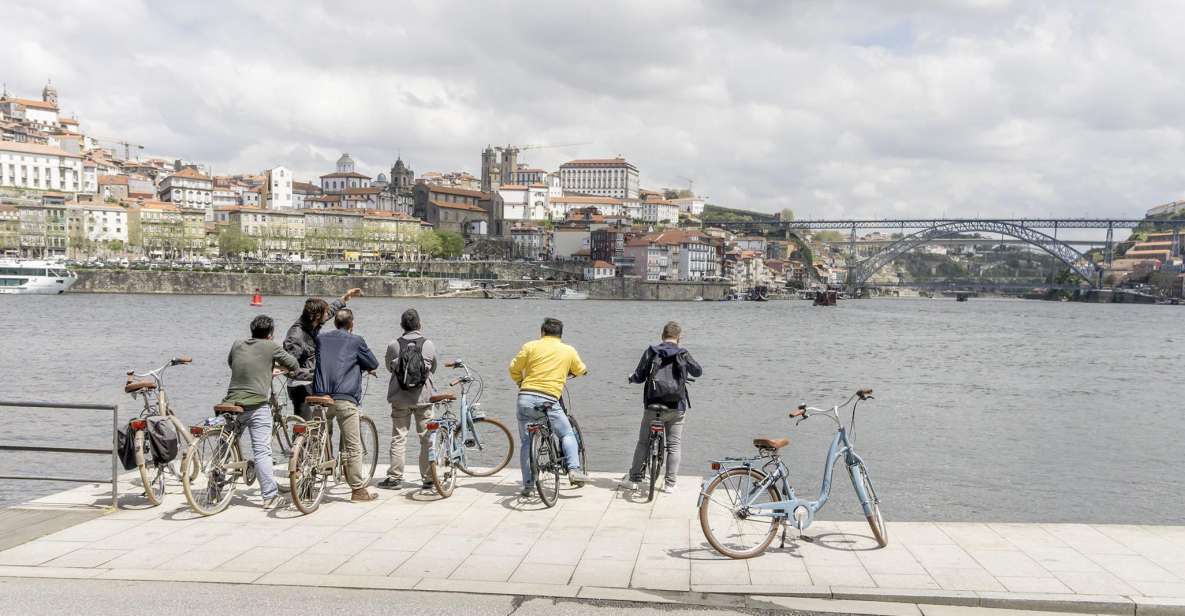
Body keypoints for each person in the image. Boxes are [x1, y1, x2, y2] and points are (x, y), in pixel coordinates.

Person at [222, 315, 301, 509]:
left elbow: (233, 363)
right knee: (262, 451)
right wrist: (276, 368)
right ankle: (270, 496)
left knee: (224, 446)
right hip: (256, 404)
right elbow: (293, 365)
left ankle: (214, 489)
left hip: (231, 402)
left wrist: (263, 367)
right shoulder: (271, 346)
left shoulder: (237, 344)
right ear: (270, 334)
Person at [508, 317, 590, 497]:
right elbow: (581, 369)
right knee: (566, 433)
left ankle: (528, 485)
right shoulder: (568, 350)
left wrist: (520, 381)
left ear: (542, 332)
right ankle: (574, 470)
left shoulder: (530, 346)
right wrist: (577, 371)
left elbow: (513, 367)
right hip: (549, 399)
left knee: (527, 443)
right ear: (560, 335)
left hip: (525, 397)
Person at [623, 321, 702, 493]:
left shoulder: (652, 351)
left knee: (643, 442)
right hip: (676, 407)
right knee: (674, 445)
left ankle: (634, 479)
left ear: (662, 335)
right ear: (679, 337)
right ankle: (670, 484)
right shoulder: (683, 353)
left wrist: (631, 377)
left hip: (653, 405)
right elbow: (698, 371)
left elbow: (640, 375)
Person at [313, 307, 380, 502]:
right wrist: (364, 366)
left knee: (317, 439)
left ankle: (308, 480)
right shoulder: (356, 340)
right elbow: (373, 363)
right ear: (351, 324)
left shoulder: (321, 339)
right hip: (344, 398)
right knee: (353, 446)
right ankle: (358, 490)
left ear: (335, 323)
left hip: (320, 397)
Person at [379, 308, 437, 491]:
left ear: (402, 326)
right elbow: (433, 368)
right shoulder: (428, 344)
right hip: (424, 398)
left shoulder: (394, 345)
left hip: (400, 398)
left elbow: (389, 367)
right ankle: (428, 478)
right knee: (427, 438)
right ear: (420, 324)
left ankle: (395, 478)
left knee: (399, 437)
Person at [284, 288, 362, 419]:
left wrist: (345, 297)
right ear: (317, 316)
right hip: (300, 386)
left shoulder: (313, 324)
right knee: (304, 426)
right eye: (325, 313)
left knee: (318, 422)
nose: (328, 315)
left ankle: (322, 435)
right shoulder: (296, 335)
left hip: (312, 383)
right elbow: (289, 366)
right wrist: (314, 375)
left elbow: (331, 310)